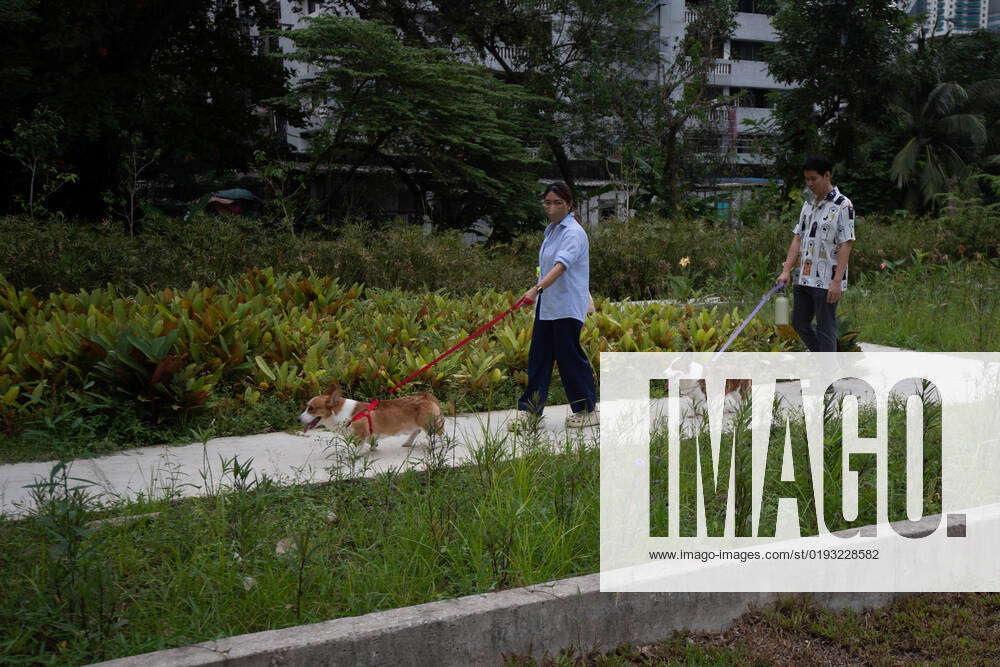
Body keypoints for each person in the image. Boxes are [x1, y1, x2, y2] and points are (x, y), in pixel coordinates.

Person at [510, 182, 598, 430]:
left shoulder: (573, 232)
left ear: (569, 204)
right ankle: (530, 411)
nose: (551, 207)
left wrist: (536, 288)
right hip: (547, 306)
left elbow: (560, 266)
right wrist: (539, 293)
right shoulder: (552, 230)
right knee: (539, 357)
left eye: (557, 202)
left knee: (569, 358)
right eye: (547, 202)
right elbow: (547, 267)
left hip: (567, 306)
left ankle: (586, 409)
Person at [777, 155, 856, 352]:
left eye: (813, 179)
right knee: (799, 323)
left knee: (825, 328)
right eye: (806, 179)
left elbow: (847, 244)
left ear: (827, 175)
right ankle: (823, 362)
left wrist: (837, 282)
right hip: (803, 276)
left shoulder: (843, 205)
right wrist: (786, 270)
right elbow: (798, 238)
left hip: (827, 279)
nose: (809, 183)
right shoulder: (808, 204)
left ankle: (825, 377)